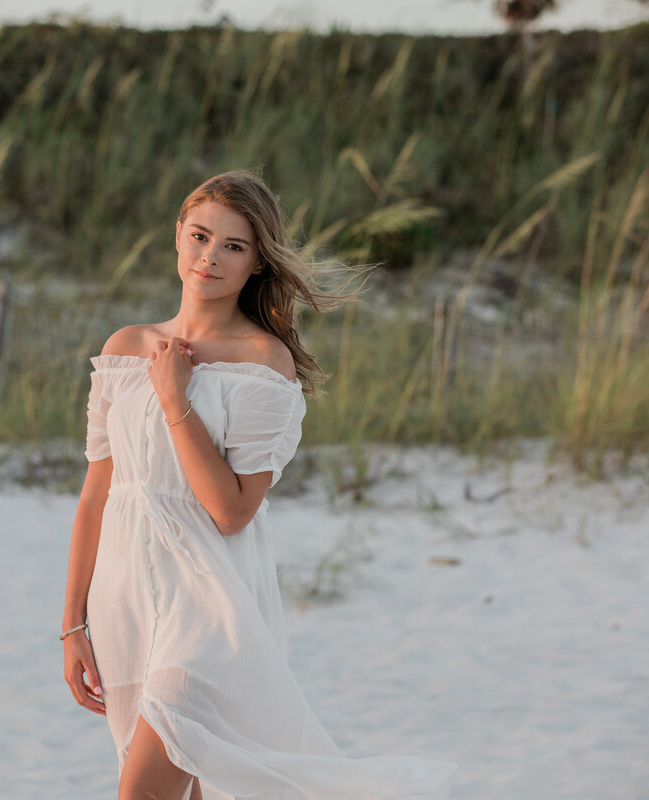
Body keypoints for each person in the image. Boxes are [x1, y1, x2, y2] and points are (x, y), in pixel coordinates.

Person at [60, 171, 457, 800]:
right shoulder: (125, 347)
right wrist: (72, 625)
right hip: (125, 599)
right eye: (200, 236)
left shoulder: (261, 362)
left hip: (208, 606)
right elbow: (96, 496)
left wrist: (174, 399)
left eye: (234, 247)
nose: (210, 256)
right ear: (178, 239)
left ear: (255, 265)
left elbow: (230, 511)